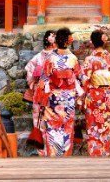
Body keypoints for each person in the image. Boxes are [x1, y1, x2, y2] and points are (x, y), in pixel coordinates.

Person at [38, 27, 83, 157]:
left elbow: (43, 79)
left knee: (53, 127)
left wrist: (41, 98)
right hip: (68, 97)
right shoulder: (73, 58)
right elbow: (80, 78)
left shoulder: (50, 58)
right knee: (67, 128)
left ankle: (53, 155)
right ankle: (65, 156)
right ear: (67, 41)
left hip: (53, 97)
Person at [24, 30, 56, 148]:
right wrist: (33, 82)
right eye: (52, 36)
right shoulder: (38, 57)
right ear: (47, 39)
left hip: (54, 90)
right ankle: (41, 145)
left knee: (54, 116)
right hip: (40, 90)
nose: (55, 38)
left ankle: (53, 146)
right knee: (38, 117)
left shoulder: (59, 56)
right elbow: (29, 70)